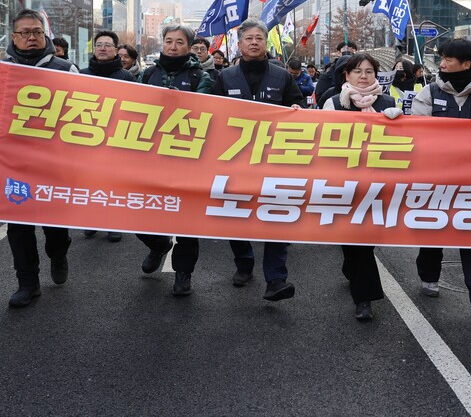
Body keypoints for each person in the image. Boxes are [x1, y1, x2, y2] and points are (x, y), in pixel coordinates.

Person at [0, 9, 78, 308]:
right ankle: (27, 283)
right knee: (18, 226)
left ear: (45, 35)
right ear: (14, 37)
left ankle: (59, 254)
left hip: (54, 163)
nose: (32, 37)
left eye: (37, 32)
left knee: (55, 224)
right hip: (13, 162)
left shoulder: (65, 68)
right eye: (25, 33)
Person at [410, 38, 471, 328]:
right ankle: (429, 275)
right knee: (432, 236)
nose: (442, 64)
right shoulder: (429, 93)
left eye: (448, 59)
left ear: (466, 64)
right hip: (436, 183)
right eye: (441, 58)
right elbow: (418, 133)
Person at [210, 18, 304, 301]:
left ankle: (276, 278)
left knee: (276, 215)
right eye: (248, 38)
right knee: (236, 214)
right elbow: (212, 116)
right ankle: (244, 261)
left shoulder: (282, 76)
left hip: (275, 161)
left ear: (266, 43)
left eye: (258, 38)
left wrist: (298, 110)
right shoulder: (225, 77)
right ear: (239, 44)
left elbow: (299, 111)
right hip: (234, 160)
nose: (254, 42)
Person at [321, 53, 399, 320]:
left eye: (369, 71)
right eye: (357, 71)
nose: (363, 76)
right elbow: (321, 140)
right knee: (356, 240)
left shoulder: (388, 102)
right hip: (345, 183)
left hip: (379, 184)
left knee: (368, 239)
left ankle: (351, 269)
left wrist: (398, 124)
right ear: (347, 75)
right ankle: (363, 298)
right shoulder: (333, 104)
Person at [139, 24, 213, 296]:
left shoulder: (200, 76)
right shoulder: (149, 73)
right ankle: (158, 245)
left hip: (187, 157)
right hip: (150, 156)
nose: (172, 46)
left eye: (179, 42)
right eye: (168, 41)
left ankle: (184, 273)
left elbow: (203, 111)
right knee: (140, 214)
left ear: (189, 46)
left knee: (186, 220)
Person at [80, 31, 135, 242]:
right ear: (94, 49)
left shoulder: (127, 77)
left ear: (115, 50)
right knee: (89, 182)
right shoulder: (82, 74)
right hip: (87, 137)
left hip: (116, 138)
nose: (102, 48)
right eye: (99, 44)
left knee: (113, 183)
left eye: (107, 45)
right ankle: (91, 220)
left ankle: (113, 223)